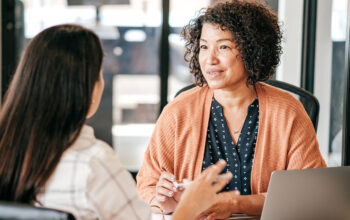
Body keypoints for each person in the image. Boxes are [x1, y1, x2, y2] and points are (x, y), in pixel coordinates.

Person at [0, 24, 233, 220]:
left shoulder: (9, 153)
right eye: (100, 73)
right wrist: (190, 206)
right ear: (85, 87)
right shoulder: (93, 162)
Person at [136, 0, 327, 219]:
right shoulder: (178, 112)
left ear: (251, 50)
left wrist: (236, 203)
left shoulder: (288, 112)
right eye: (204, 47)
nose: (210, 59)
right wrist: (166, 203)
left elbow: (308, 195)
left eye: (223, 47)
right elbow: (146, 188)